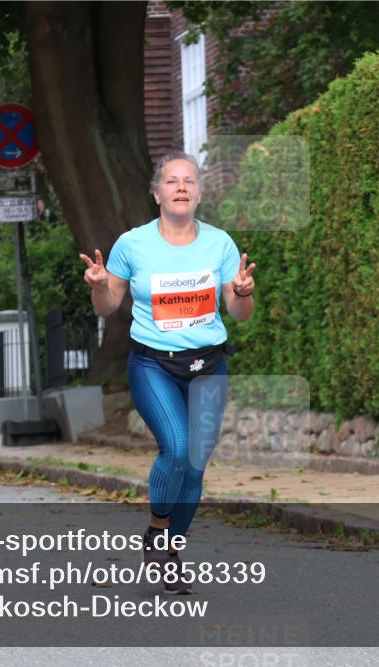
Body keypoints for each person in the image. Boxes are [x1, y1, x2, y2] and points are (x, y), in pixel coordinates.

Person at [79, 151, 256, 594]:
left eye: (189, 181)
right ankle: (158, 531)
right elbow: (109, 307)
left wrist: (242, 292)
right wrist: (101, 287)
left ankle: (171, 551)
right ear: (156, 192)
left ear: (198, 193)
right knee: (176, 447)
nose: (181, 187)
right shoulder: (132, 244)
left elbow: (240, 314)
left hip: (208, 365)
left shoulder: (219, 243)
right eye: (172, 181)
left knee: (195, 467)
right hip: (153, 363)